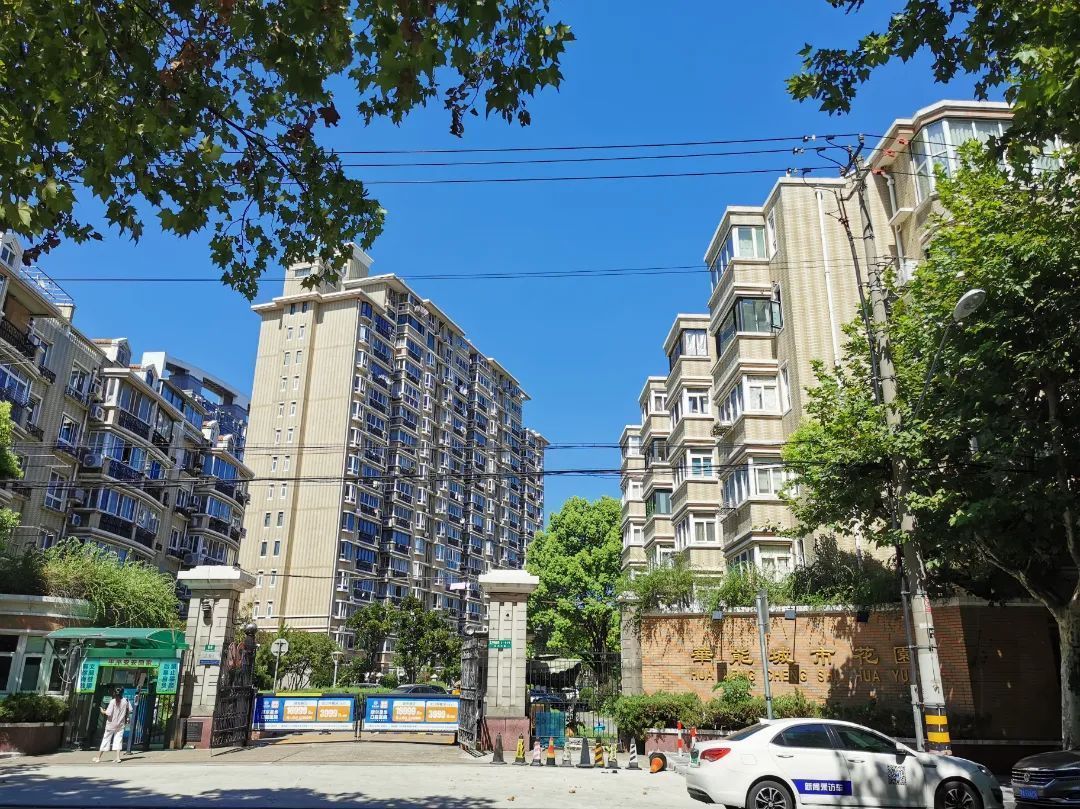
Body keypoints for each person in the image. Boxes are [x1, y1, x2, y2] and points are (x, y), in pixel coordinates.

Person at [92, 687, 130, 763]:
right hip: (120, 724)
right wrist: (127, 718)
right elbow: (129, 710)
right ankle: (118, 758)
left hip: (110, 724)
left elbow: (108, 713)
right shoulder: (126, 701)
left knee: (106, 739)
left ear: (114, 693)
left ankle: (98, 758)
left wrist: (102, 711)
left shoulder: (113, 701)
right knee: (118, 740)